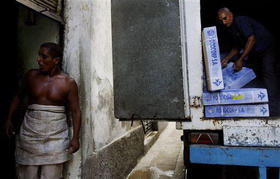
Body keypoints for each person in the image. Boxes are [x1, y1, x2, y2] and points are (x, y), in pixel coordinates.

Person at [5, 42, 81, 179]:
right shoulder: (31, 76)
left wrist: (76, 138)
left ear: (56, 60)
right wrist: (8, 119)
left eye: (44, 57)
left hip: (55, 137)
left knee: (51, 176)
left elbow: (76, 111)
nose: (38, 60)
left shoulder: (68, 83)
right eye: (39, 56)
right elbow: (18, 97)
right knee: (27, 175)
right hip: (30, 135)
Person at [217, 7, 279, 116]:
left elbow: (252, 39)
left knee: (268, 72)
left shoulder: (241, 21)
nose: (223, 22)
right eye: (221, 20)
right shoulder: (231, 28)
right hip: (255, 51)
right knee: (250, 72)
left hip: (267, 47)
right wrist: (226, 59)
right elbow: (237, 47)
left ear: (231, 14)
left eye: (225, 18)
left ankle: (274, 108)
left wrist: (241, 59)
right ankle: (256, 103)